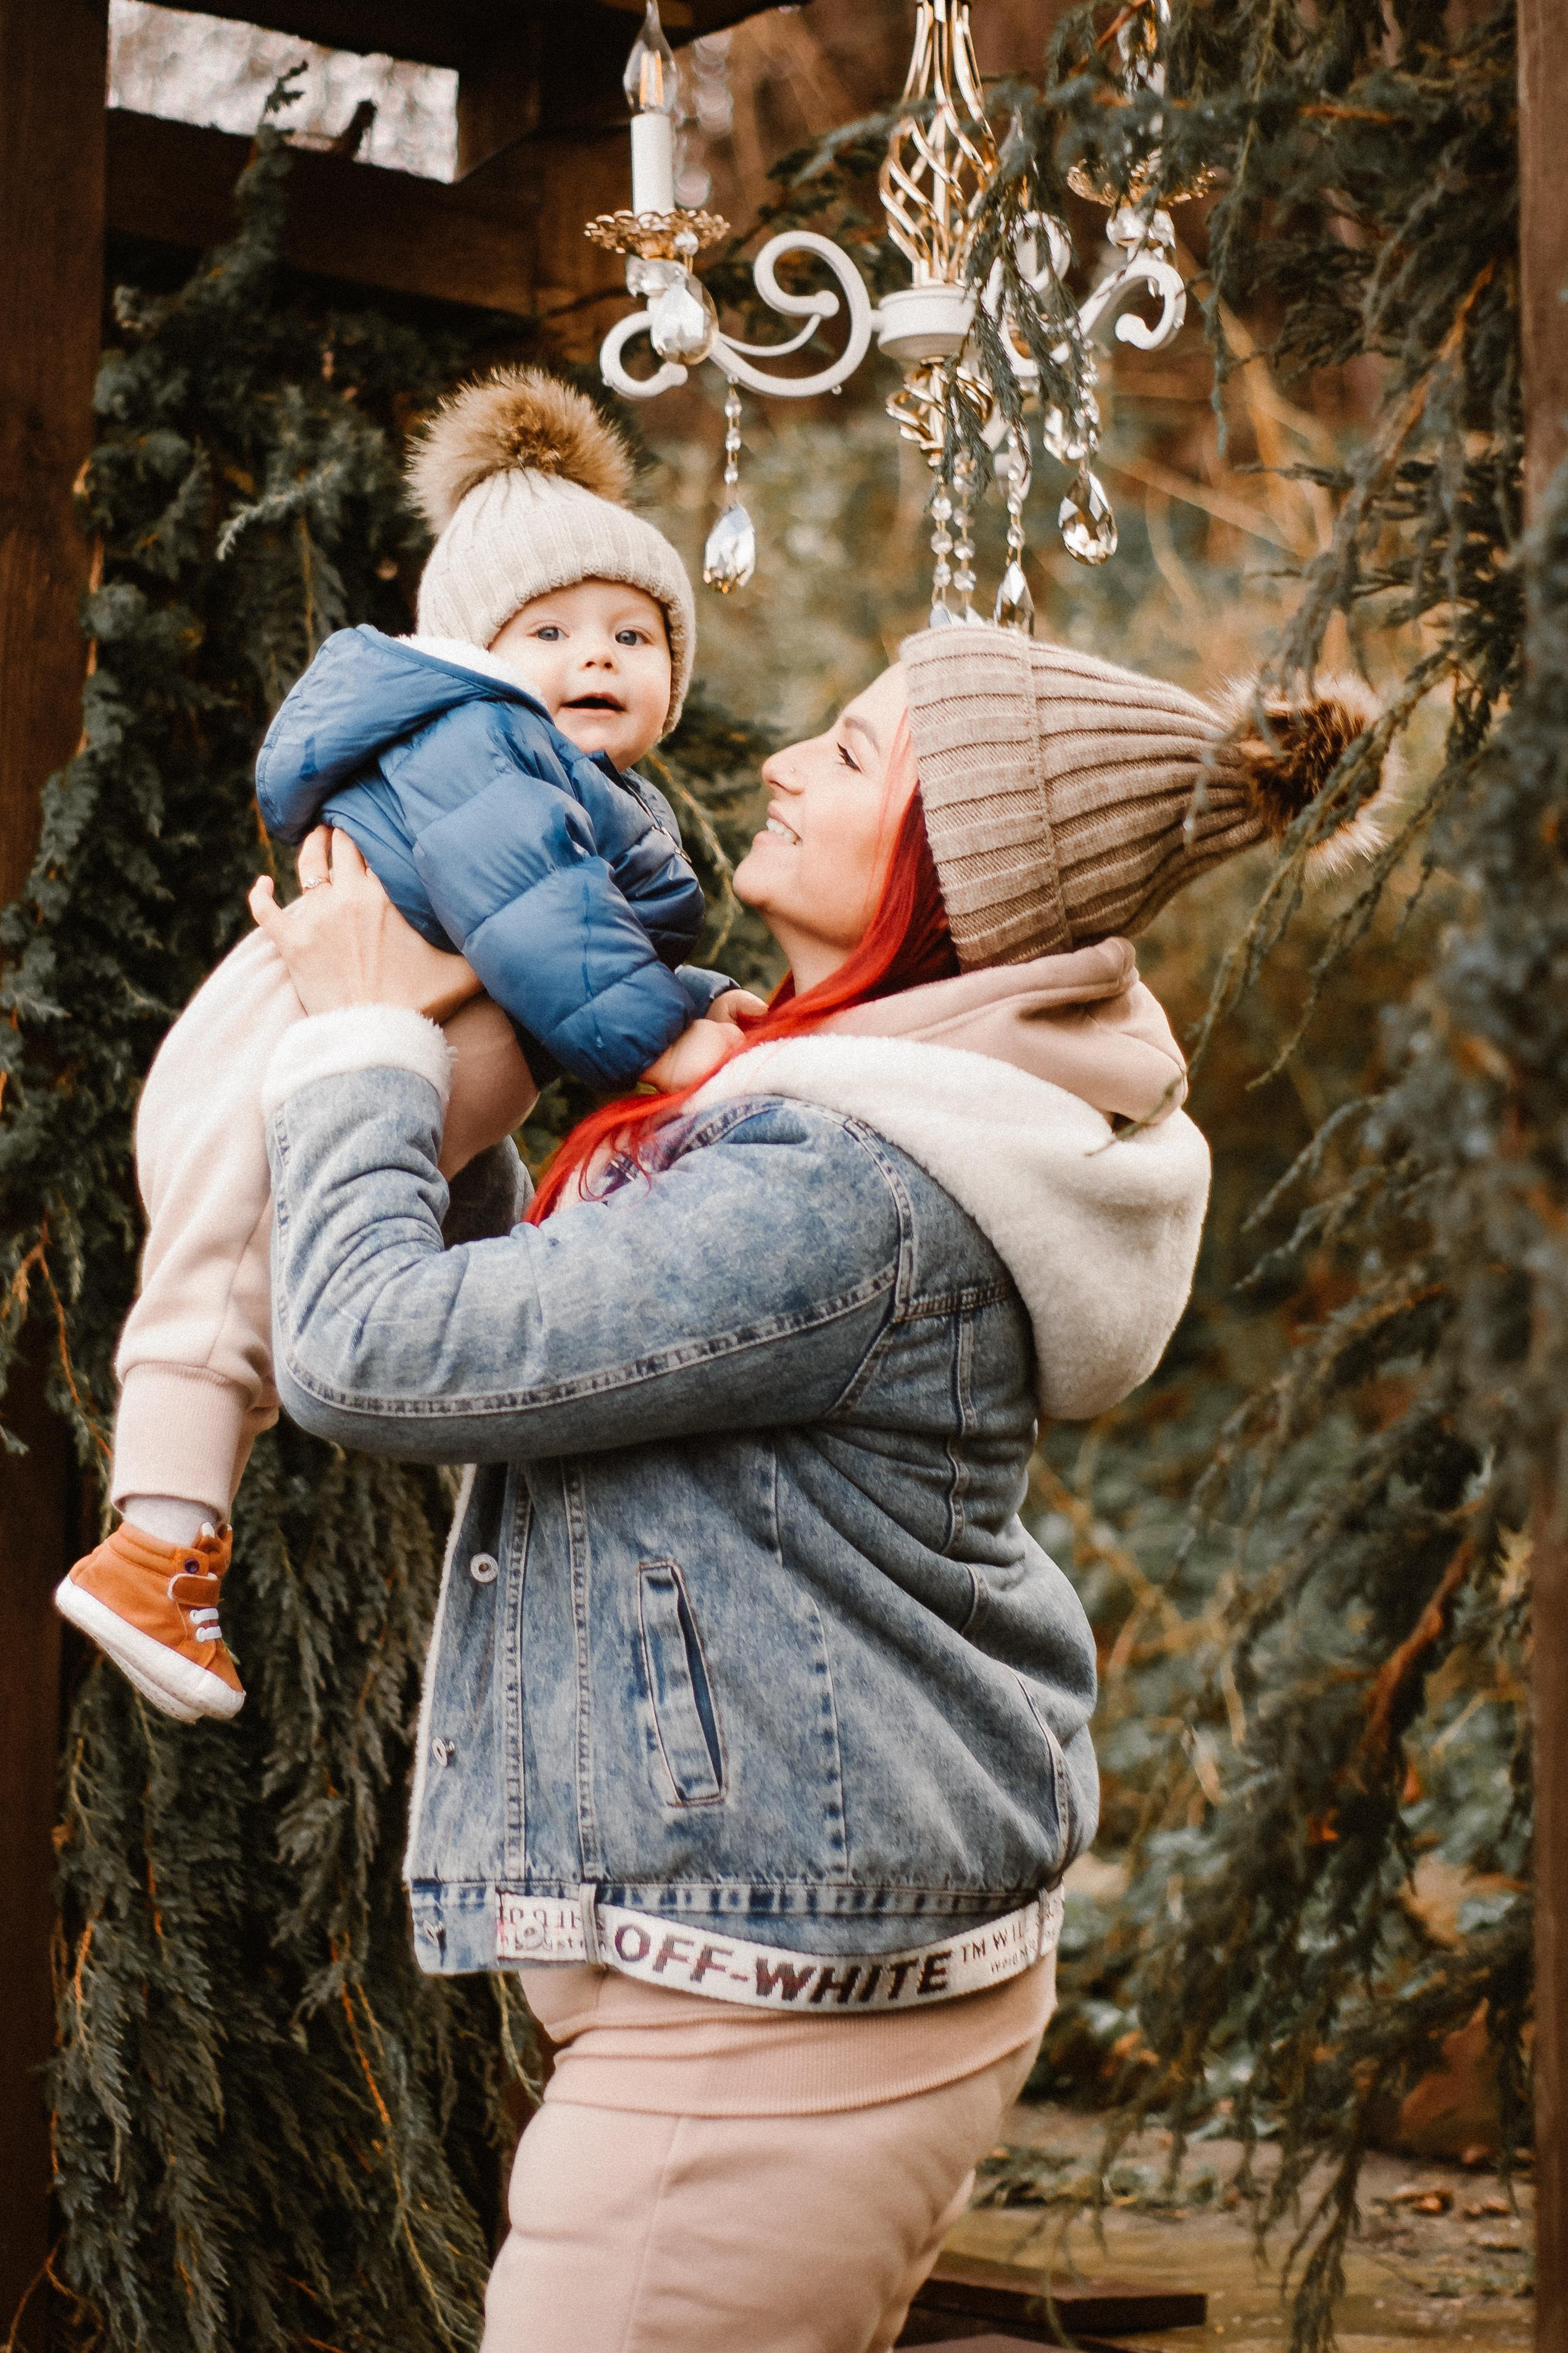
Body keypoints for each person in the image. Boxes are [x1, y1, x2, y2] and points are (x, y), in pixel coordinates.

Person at [248, 615, 1390, 2353]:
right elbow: (537, 1354)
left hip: (774, 2038)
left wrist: (354, 1048)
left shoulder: (836, 1184)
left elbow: (374, 1351)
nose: (777, 762)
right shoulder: (822, 1105)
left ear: (951, 878)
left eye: (851, 755)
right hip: (780, 1976)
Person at [55, 367, 761, 1723]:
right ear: (474, 653)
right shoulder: (473, 742)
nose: (598, 657)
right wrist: (669, 1041)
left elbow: (570, 953)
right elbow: (538, 921)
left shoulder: (589, 792)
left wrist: (690, 997)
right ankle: (153, 1542)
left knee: (274, 1310)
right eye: (550, 628)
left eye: (634, 633)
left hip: (381, 1058)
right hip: (285, 1040)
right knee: (221, 1306)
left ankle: (175, 1542)